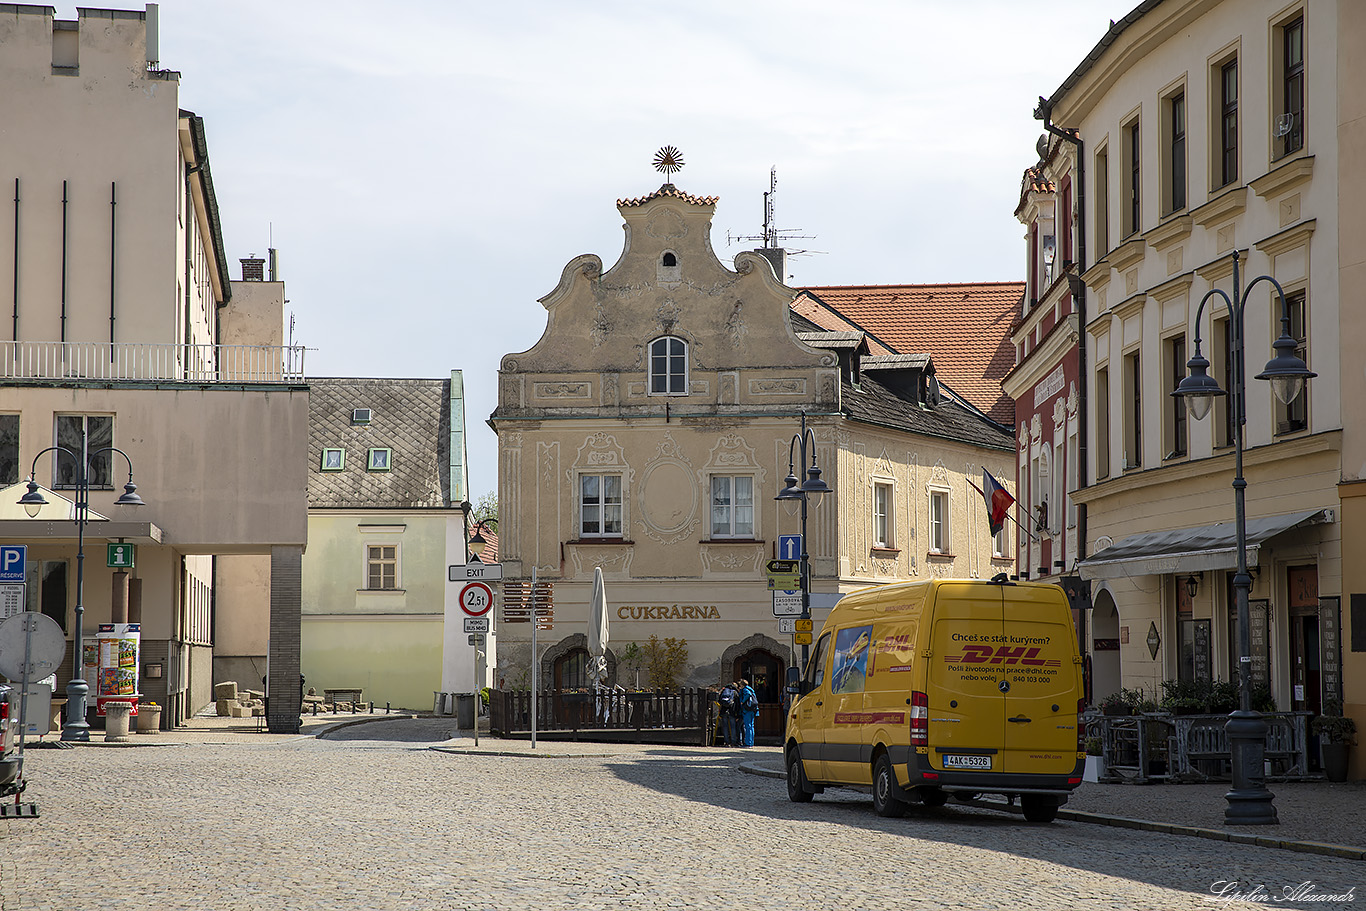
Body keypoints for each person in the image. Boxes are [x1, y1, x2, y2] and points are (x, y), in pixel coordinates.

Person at [738, 678, 759, 748]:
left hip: (747, 710)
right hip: (753, 710)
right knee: (751, 726)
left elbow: (747, 695)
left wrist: (742, 701)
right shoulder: (751, 689)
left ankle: (748, 743)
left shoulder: (745, 690)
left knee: (748, 726)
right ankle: (751, 742)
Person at [717, 682, 738, 746]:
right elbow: (737, 703)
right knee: (733, 727)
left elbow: (719, 700)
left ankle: (726, 742)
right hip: (732, 711)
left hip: (724, 711)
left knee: (725, 726)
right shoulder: (734, 692)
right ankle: (733, 742)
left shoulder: (724, 691)